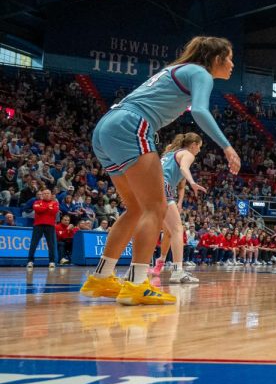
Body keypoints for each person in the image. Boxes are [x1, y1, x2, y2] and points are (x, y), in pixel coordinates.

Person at [81, 36, 240, 306]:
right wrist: (227, 146)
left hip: (106, 126)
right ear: (216, 59)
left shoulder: (176, 70)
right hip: (132, 124)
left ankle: (101, 276)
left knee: (135, 208)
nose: (232, 64)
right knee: (155, 208)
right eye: (229, 58)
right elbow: (200, 110)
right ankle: (137, 284)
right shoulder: (200, 72)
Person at [156, 133, 205, 284]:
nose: (199, 150)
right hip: (163, 187)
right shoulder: (187, 154)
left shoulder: (170, 153)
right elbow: (184, 168)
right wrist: (192, 182)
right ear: (193, 145)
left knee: (160, 229)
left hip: (148, 186)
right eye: (199, 147)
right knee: (177, 230)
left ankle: (137, 268)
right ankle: (177, 271)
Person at [24, 188, 60, 269]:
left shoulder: (55, 203)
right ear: (42, 195)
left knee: (51, 245)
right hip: (38, 225)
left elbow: (54, 211)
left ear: (51, 195)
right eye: (44, 193)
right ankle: (30, 261)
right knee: (34, 244)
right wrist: (48, 208)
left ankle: (51, 262)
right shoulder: (37, 202)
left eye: (48, 193)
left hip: (50, 226)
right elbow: (37, 209)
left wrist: (44, 208)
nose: (46, 194)